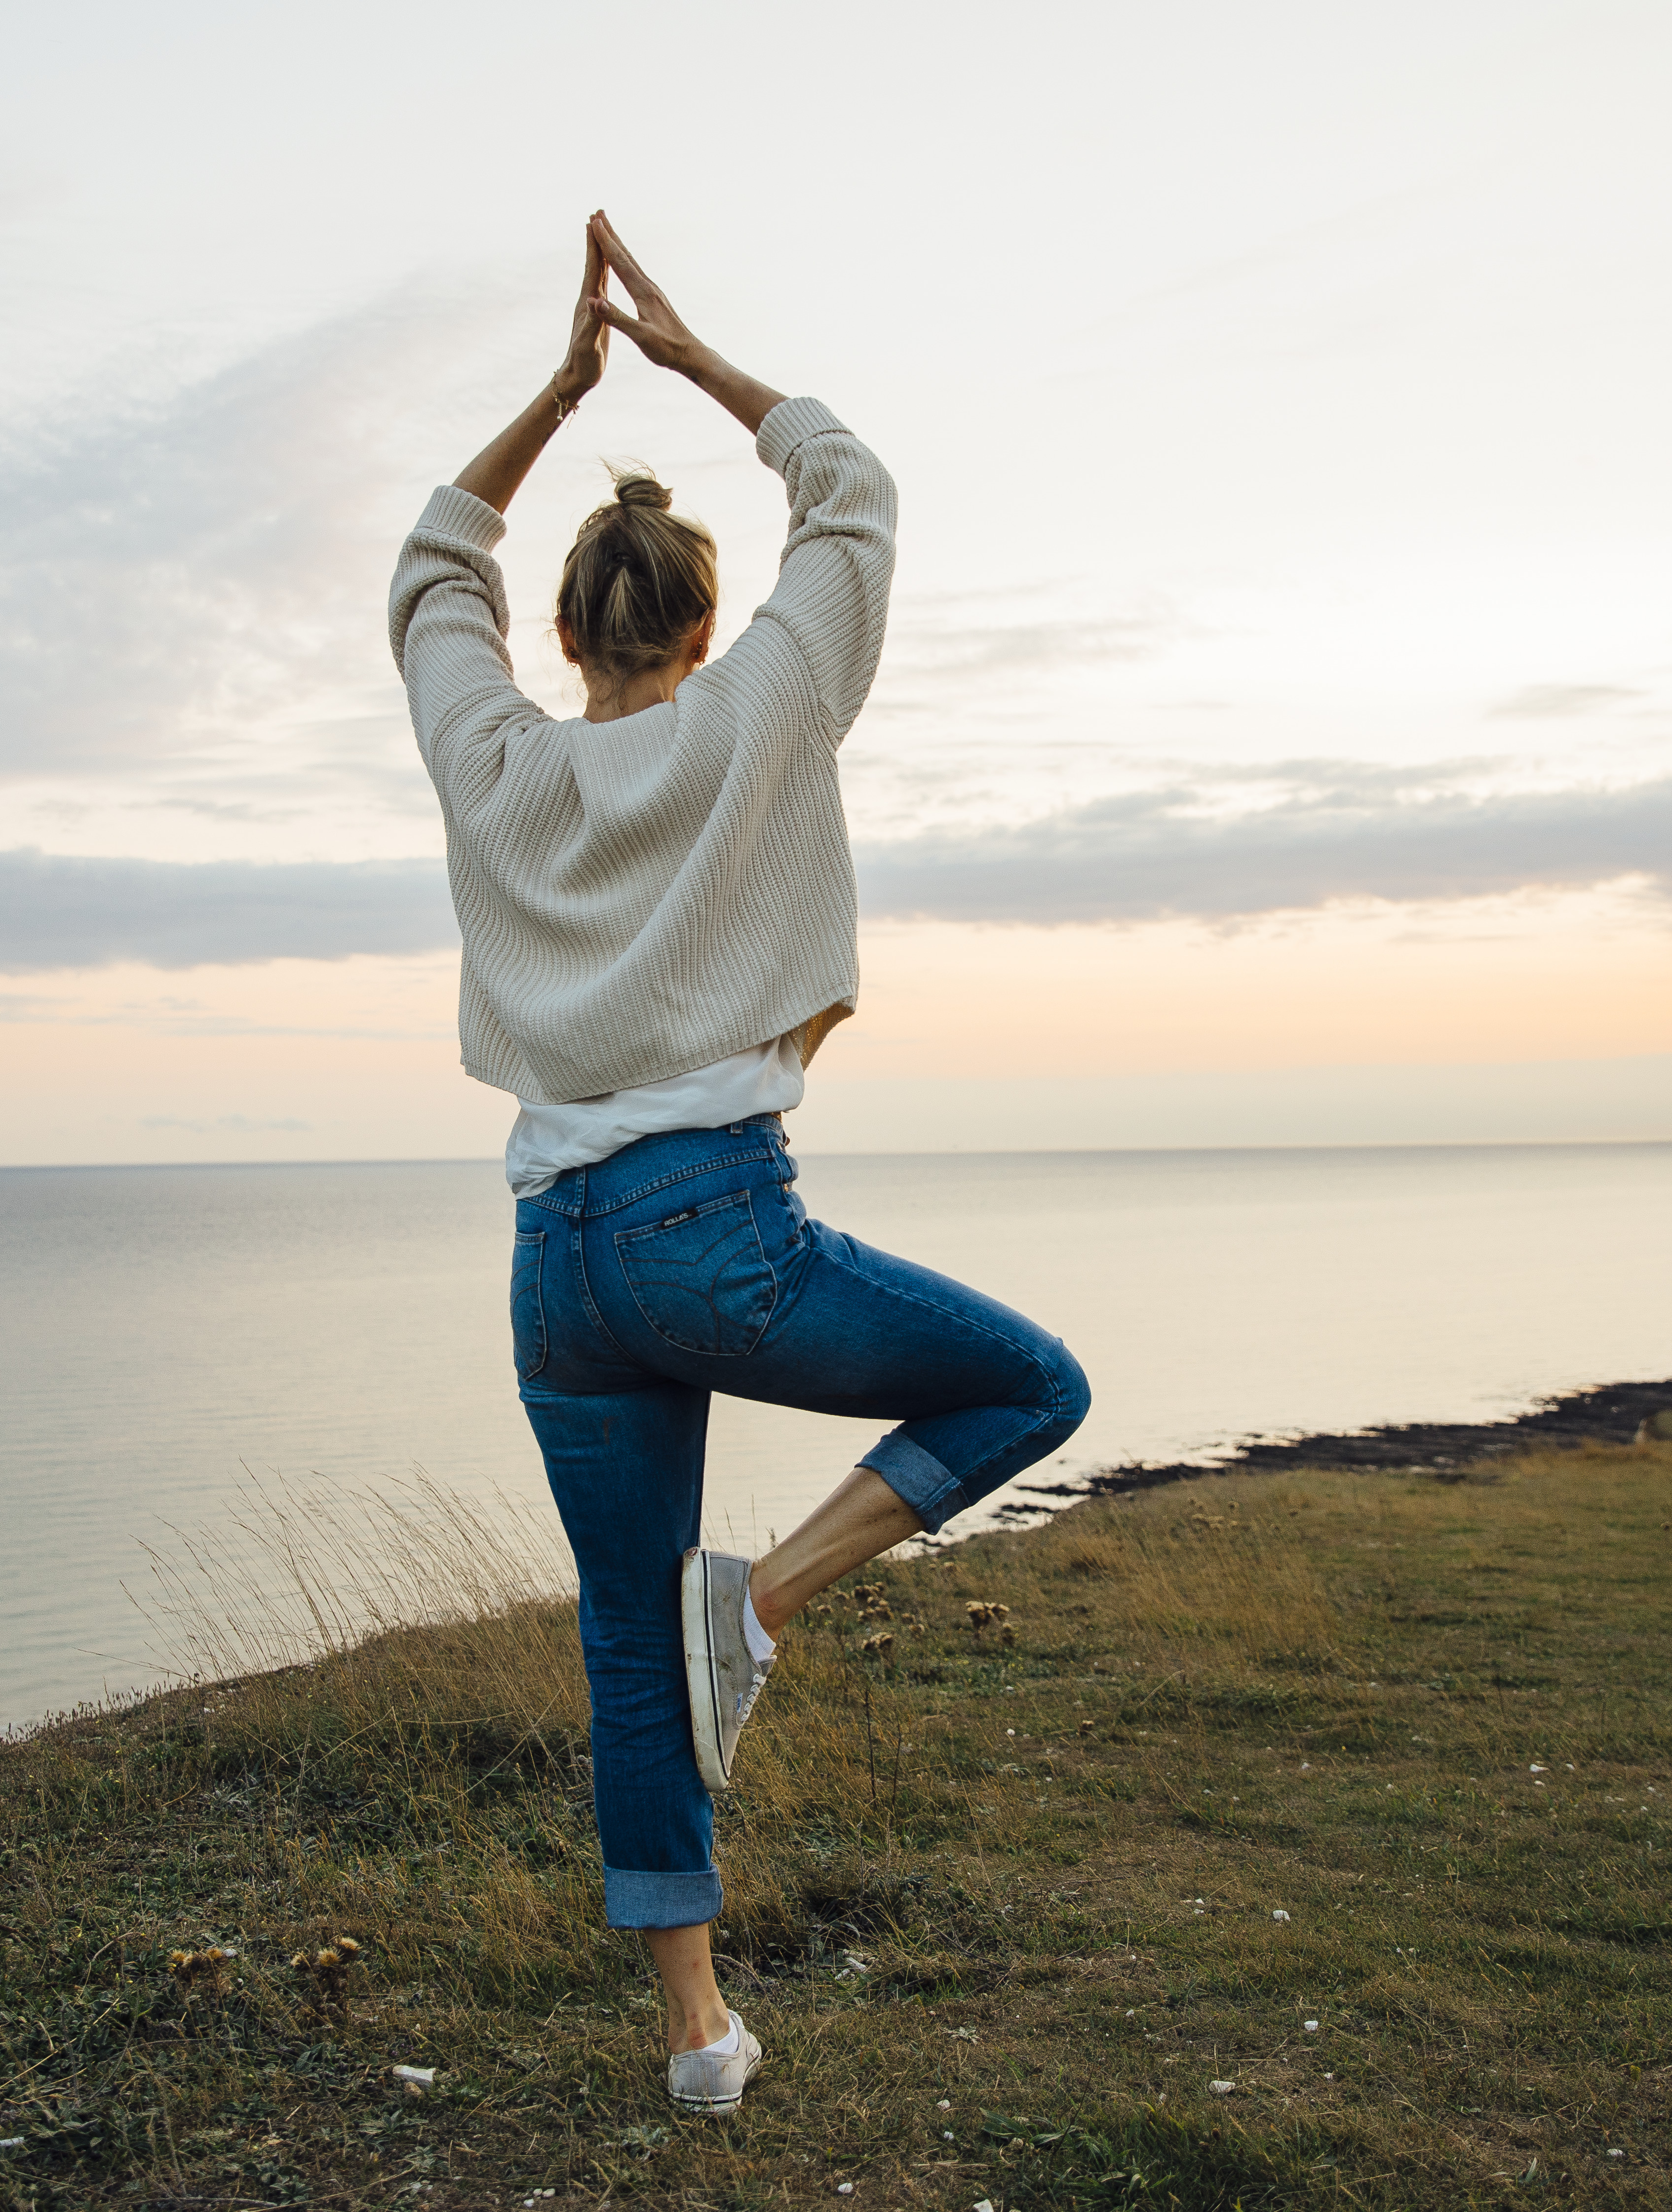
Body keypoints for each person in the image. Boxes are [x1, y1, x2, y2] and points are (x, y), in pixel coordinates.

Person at [387, 213, 1091, 2117]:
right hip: (715, 1229)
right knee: (1033, 1383)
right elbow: (848, 493)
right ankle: (764, 1602)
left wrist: (558, 390)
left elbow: (424, 565)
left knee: (623, 1643)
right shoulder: (764, 706)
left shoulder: (498, 765)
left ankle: (698, 2040)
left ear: (563, 637)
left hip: (555, 1261)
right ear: (700, 627)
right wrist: (696, 363)